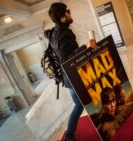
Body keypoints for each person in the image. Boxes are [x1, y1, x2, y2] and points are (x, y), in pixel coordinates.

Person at [44, 2, 96, 141]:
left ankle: (70, 135)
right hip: (72, 76)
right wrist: (85, 46)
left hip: (67, 77)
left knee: (79, 103)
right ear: (62, 17)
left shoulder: (53, 32)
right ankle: (69, 136)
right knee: (81, 103)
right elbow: (67, 58)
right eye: (68, 11)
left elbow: (47, 35)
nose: (70, 13)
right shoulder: (64, 33)